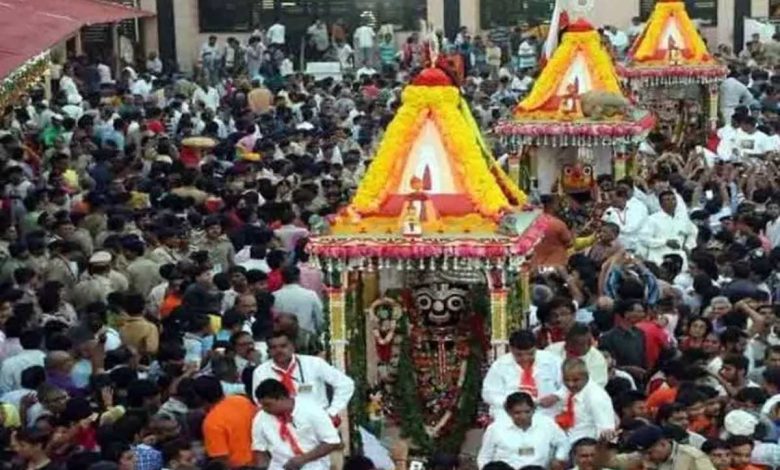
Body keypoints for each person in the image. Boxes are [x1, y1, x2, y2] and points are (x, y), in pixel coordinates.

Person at [251, 331, 354, 418]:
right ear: (268, 351)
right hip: (281, 424)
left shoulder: (313, 363)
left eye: (283, 346)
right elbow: (259, 401)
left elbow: (345, 384)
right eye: (274, 347)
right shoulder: (261, 372)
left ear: (292, 346)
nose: (279, 351)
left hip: (316, 420)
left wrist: (332, 411)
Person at [252, 378, 342, 470]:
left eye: (268, 405)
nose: (264, 409)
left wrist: (303, 459)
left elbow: (332, 441)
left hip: (314, 466)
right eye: (262, 405)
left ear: (282, 398)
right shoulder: (261, 417)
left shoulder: (311, 410)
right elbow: (260, 449)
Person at [482, 330, 562, 421]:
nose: (525, 358)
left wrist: (556, 396)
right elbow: (489, 393)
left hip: (547, 413)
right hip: (510, 416)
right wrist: (511, 403)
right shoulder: (499, 365)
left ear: (536, 348)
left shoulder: (553, 360)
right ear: (511, 349)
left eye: (530, 354)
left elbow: (567, 385)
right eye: (519, 355)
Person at [476, 392, 568, 470]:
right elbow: (484, 457)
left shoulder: (547, 423)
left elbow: (563, 443)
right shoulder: (495, 428)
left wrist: (559, 458)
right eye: (517, 413)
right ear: (508, 412)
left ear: (533, 410)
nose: (523, 417)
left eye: (527, 412)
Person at [195, 375, 257, 468]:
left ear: (199, 398)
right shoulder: (242, 400)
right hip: (265, 461)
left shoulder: (211, 423)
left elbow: (221, 460)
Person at [552, 358, 616, 444]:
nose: (570, 384)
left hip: (586, 450)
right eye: (566, 380)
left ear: (586, 376)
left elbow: (607, 432)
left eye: (575, 380)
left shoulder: (596, 397)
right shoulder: (569, 390)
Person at [615, 424, 715, 470]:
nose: (646, 457)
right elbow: (610, 462)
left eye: (649, 453)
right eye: (643, 453)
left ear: (663, 444)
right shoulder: (642, 455)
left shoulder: (691, 456)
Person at [272, 266, 323, 334]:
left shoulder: (274, 296)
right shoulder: (310, 294)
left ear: (282, 278)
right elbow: (320, 317)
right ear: (299, 277)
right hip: (306, 334)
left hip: (283, 335)